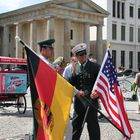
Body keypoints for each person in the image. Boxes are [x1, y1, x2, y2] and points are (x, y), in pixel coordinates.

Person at [68, 43, 100, 140]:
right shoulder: (74, 67)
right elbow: (70, 84)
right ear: (76, 57)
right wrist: (73, 73)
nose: (84, 56)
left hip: (91, 102)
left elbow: (99, 83)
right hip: (79, 103)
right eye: (81, 55)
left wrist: (97, 93)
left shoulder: (94, 67)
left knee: (93, 128)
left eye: (85, 54)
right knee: (76, 127)